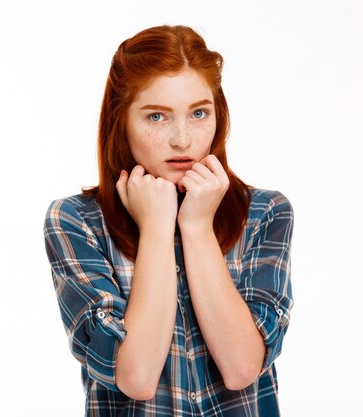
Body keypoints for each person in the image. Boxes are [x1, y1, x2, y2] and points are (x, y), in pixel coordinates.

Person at [43, 24, 294, 416]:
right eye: (157, 116)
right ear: (121, 123)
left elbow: (242, 367)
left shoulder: (265, 213)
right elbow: (136, 377)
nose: (182, 139)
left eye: (198, 113)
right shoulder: (76, 221)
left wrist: (196, 228)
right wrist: (157, 229)